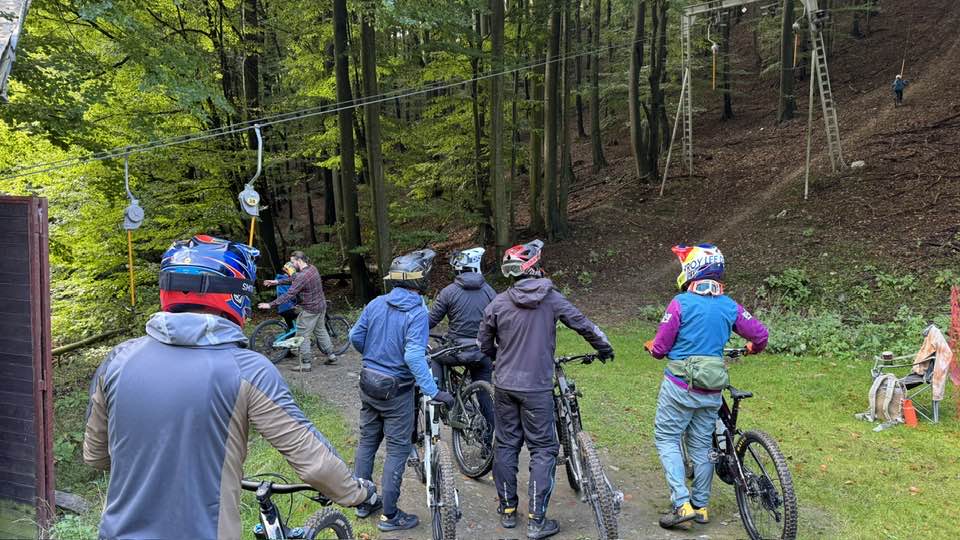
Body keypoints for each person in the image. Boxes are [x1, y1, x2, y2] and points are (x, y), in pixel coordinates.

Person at [82, 235, 377, 540]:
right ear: (236, 295)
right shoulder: (248, 370)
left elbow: (95, 455)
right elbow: (313, 460)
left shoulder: (118, 360)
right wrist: (358, 493)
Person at [478, 239, 614, 540]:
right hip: (536, 387)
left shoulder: (498, 302)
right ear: (535, 267)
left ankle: (508, 510)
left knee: (506, 444)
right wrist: (604, 347)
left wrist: (498, 358)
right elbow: (583, 324)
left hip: (505, 384)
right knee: (543, 449)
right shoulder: (550, 298)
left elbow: (484, 342)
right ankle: (536, 520)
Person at [644, 244, 768, 530]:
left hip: (679, 387)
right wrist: (752, 348)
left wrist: (652, 347)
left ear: (692, 270)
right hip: (712, 390)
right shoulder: (729, 306)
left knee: (667, 438)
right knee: (702, 446)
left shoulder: (680, 303)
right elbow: (760, 335)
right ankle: (700, 506)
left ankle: (681, 504)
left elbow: (660, 349)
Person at [349, 249, 455, 532]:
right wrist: (433, 391)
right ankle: (390, 515)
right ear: (420, 280)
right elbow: (414, 356)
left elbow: (354, 336)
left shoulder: (376, 303)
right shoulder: (417, 312)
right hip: (396, 390)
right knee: (397, 450)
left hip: (368, 382)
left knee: (367, 442)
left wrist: (373, 356)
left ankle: (362, 503)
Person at [428, 247, 497, 443]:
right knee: (485, 395)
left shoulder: (449, 292)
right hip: (482, 351)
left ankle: (440, 396)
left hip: (456, 351)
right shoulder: (489, 291)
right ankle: (488, 443)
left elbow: (430, 321)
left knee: (435, 357)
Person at [259, 250, 335, 371]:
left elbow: (289, 294)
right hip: (321, 306)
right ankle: (331, 355)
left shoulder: (302, 276)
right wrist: (277, 282)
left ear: (299, 261)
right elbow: (294, 278)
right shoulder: (312, 269)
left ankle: (305, 364)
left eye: (292, 262)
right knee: (321, 330)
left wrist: (270, 304)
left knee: (302, 336)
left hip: (310, 310)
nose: (291, 265)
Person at [274, 261, 299, 328]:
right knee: (306, 313)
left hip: (281, 309)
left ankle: (291, 333)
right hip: (289, 308)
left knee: (292, 329)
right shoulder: (288, 281)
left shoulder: (279, 280)